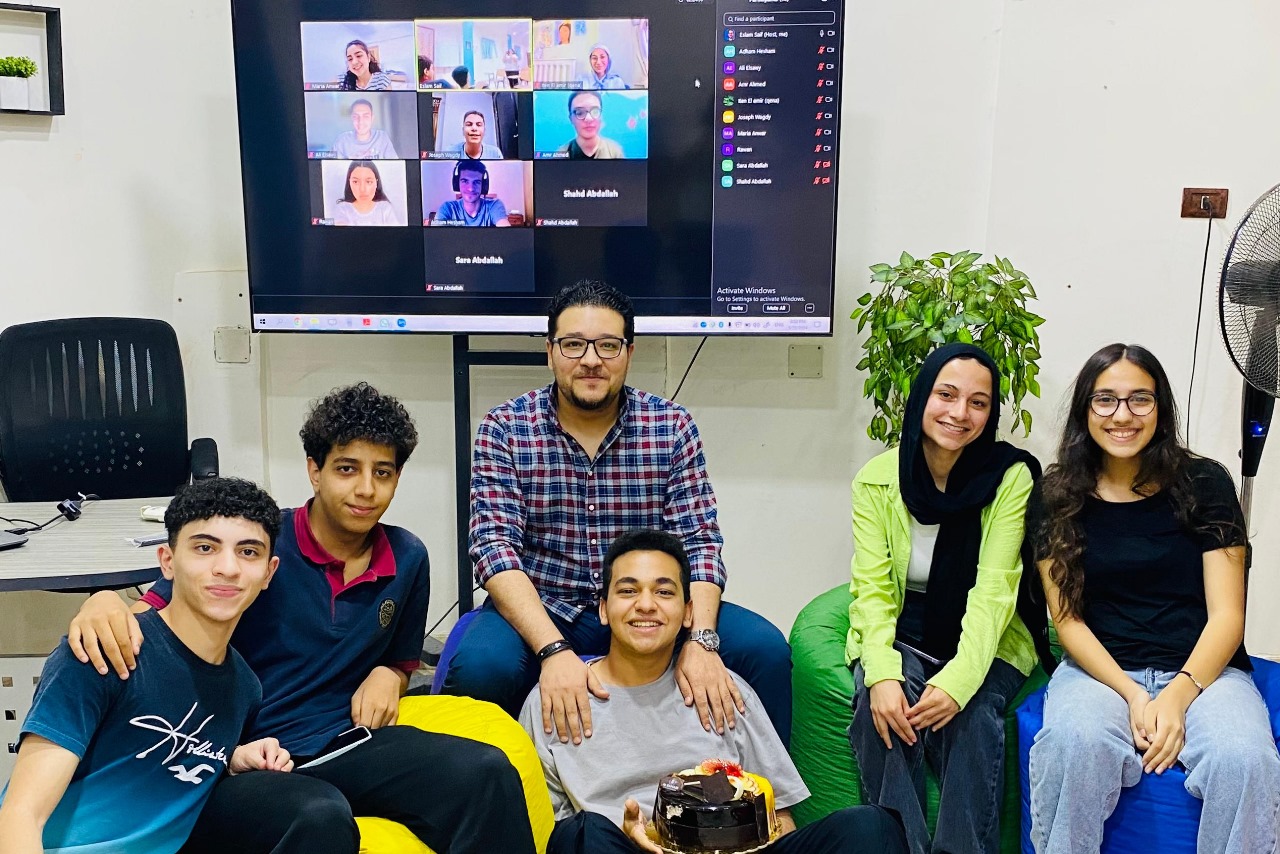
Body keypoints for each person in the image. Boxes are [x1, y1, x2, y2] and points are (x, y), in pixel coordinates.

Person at [63, 383, 537, 854]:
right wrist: (103, 601)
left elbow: (401, 658)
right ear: (314, 470)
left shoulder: (408, 556)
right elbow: (154, 618)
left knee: (486, 771)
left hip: (344, 741)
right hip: (241, 756)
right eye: (347, 469)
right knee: (318, 813)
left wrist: (388, 674)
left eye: (383, 472)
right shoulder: (257, 546)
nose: (366, 489)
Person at [444, 280, 794, 751]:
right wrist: (553, 650)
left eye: (608, 345)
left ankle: (762, 789)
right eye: (573, 344)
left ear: (629, 352)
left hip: (648, 603)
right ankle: (495, 792)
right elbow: (493, 547)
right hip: (546, 603)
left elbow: (699, 544)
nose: (591, 360)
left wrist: (701, 639)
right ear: (550, 352)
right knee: (483, 667)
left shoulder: (670, 426)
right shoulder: (505, 427)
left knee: (764, 650)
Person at [1027, 344, 1280, 854]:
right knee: (1073, 746)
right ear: (1084, 410)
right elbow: (1068, 621)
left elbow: (1228, 615)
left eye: (1140, 399)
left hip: (1206, 673)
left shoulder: (1205, 483)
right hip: (1099, 673)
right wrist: (1134, 695)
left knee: (1245, 760)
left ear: (1160, 408)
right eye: (1106, 399)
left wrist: (1178, 695)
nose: (1122, 415)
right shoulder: (1055, 496)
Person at [521, 529, 909, 854]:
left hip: (731, 850)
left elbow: (781, 818)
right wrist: (634, 836)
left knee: (871, 827)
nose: (646, 605)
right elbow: (548, 832)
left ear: (689, 612)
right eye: (628, 591)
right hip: (625, 847)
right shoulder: (553, 698)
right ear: (604, 609)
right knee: (582, 833)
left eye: (664, 592)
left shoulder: (723, 689)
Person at [0, 477, 289, 853]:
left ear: (268, 572)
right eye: (205, 547)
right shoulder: (103, 648)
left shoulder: (245, 689)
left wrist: (230, 759)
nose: (228, 568)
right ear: (167, 561)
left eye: (249, 552)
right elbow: (21, 815)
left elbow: (156, 753)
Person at [846, 342, 1041, 854]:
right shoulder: (876, 480)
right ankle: (899, 847)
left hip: (988, 634)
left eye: (978, 402)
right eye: (946, 395)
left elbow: (994, 591)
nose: (960, 413)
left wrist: (958, 681)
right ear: (921, 399)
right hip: (905, 626)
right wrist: (882, 673)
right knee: (878, 711)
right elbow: (872, 588)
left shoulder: (1009, 477)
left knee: (973, 717)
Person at [435, 160, 511, 227]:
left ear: (483, 185)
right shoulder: (447, 208)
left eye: (477, 182)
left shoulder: (494, 205)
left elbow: (505, 230)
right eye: (465, 181)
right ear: (457, 184)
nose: (471, 188)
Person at [558, 91, 624, 159]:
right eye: (579, 113)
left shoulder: (614, 151)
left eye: (595, 111)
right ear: (571, 119)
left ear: (601, 116)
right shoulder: (561, 154)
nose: (588, 119)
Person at [333, 159, 399, 227]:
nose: (362, 189)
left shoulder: (385, 208)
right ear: (349, 182)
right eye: (355, 182)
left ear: (376, 182)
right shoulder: (343, 209)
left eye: (369, 182)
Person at [331, 98, 398, 159]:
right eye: (356, 116)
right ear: (351, 118)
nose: (360, 121)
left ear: (372, 118)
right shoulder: (342, 140)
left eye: (366, 116)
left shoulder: (382, 137)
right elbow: (332, 166)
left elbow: (395, 165)